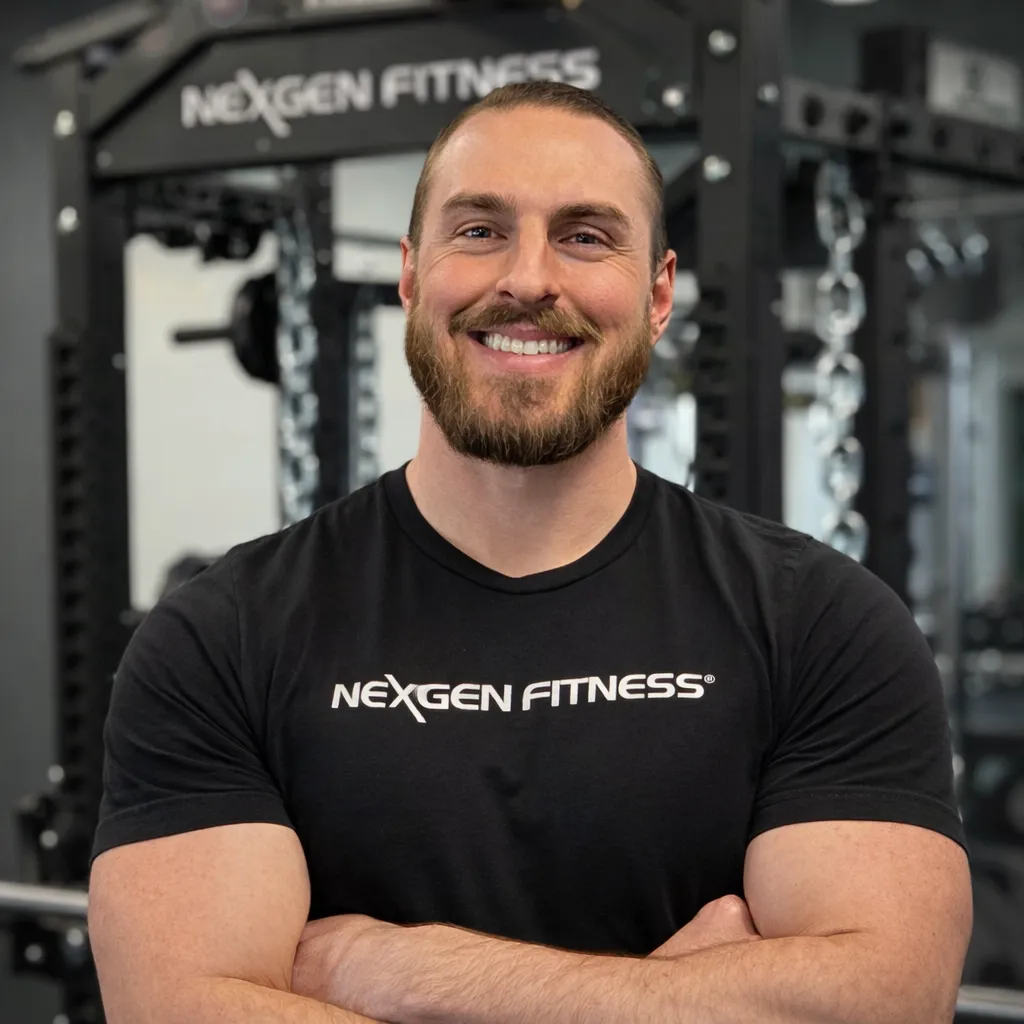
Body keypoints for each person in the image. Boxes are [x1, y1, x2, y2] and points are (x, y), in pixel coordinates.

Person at [88, 82, 973, 1024]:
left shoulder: (823, 624)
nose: (528, 279)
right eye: (479, 231)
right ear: (411, 276)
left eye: (585, 237)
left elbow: (884, 1002)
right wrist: (674, 1000)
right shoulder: (222, 638)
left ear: (659, 294)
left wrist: (403, 974)